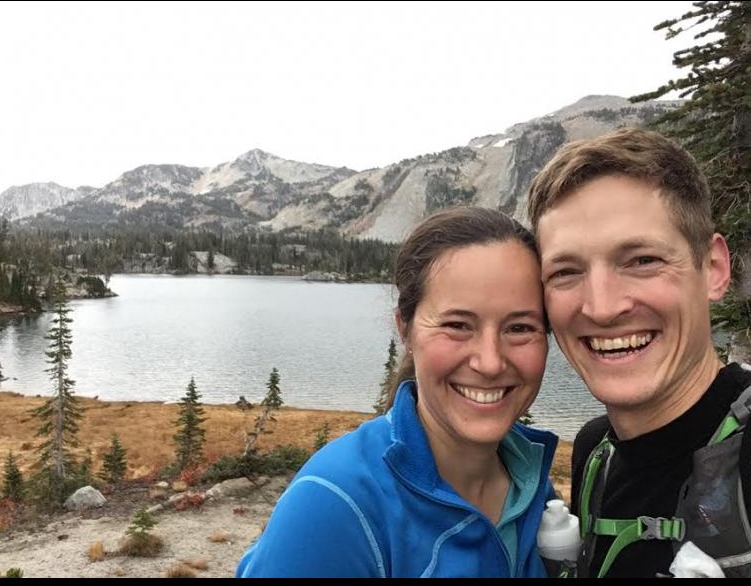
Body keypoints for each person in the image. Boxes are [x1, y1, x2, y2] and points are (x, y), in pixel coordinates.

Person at [237, 207, 558, 577]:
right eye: (457, 325)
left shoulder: (533, 487)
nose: (490, 362)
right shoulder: (336, 502)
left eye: (520, 328)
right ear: (405, 329)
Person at [527, 127, 751, 578]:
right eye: (566, 272)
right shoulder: (596, 451)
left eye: (642, 260)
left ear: (713, 269)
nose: (603, 307)